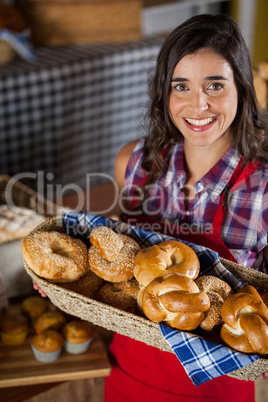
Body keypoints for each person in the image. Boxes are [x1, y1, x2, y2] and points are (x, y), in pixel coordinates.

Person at [103, 13, 268, 402]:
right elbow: (119, 271)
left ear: (241, 90)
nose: (198, 105)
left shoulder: (263, 188)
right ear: (165, 93)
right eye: (182, 86)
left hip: (218, 390)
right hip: (129, 373)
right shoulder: (134, 162)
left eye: (215, 85)